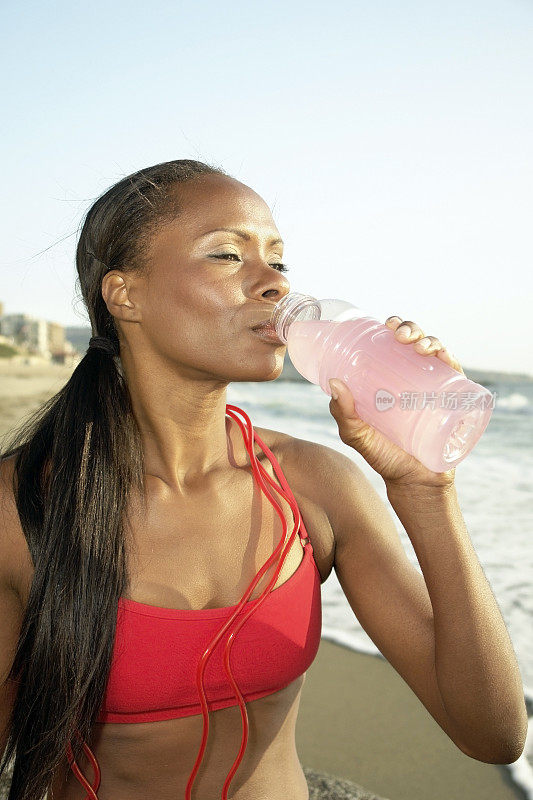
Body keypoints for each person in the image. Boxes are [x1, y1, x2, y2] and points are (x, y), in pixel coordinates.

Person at [0, 159, 527, 800]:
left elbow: (495, 735)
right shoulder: (24, 508)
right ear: (124, 294)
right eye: (227, 255)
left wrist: (427, 490)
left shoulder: (315, 485)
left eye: (279, 261)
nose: (274, 282)